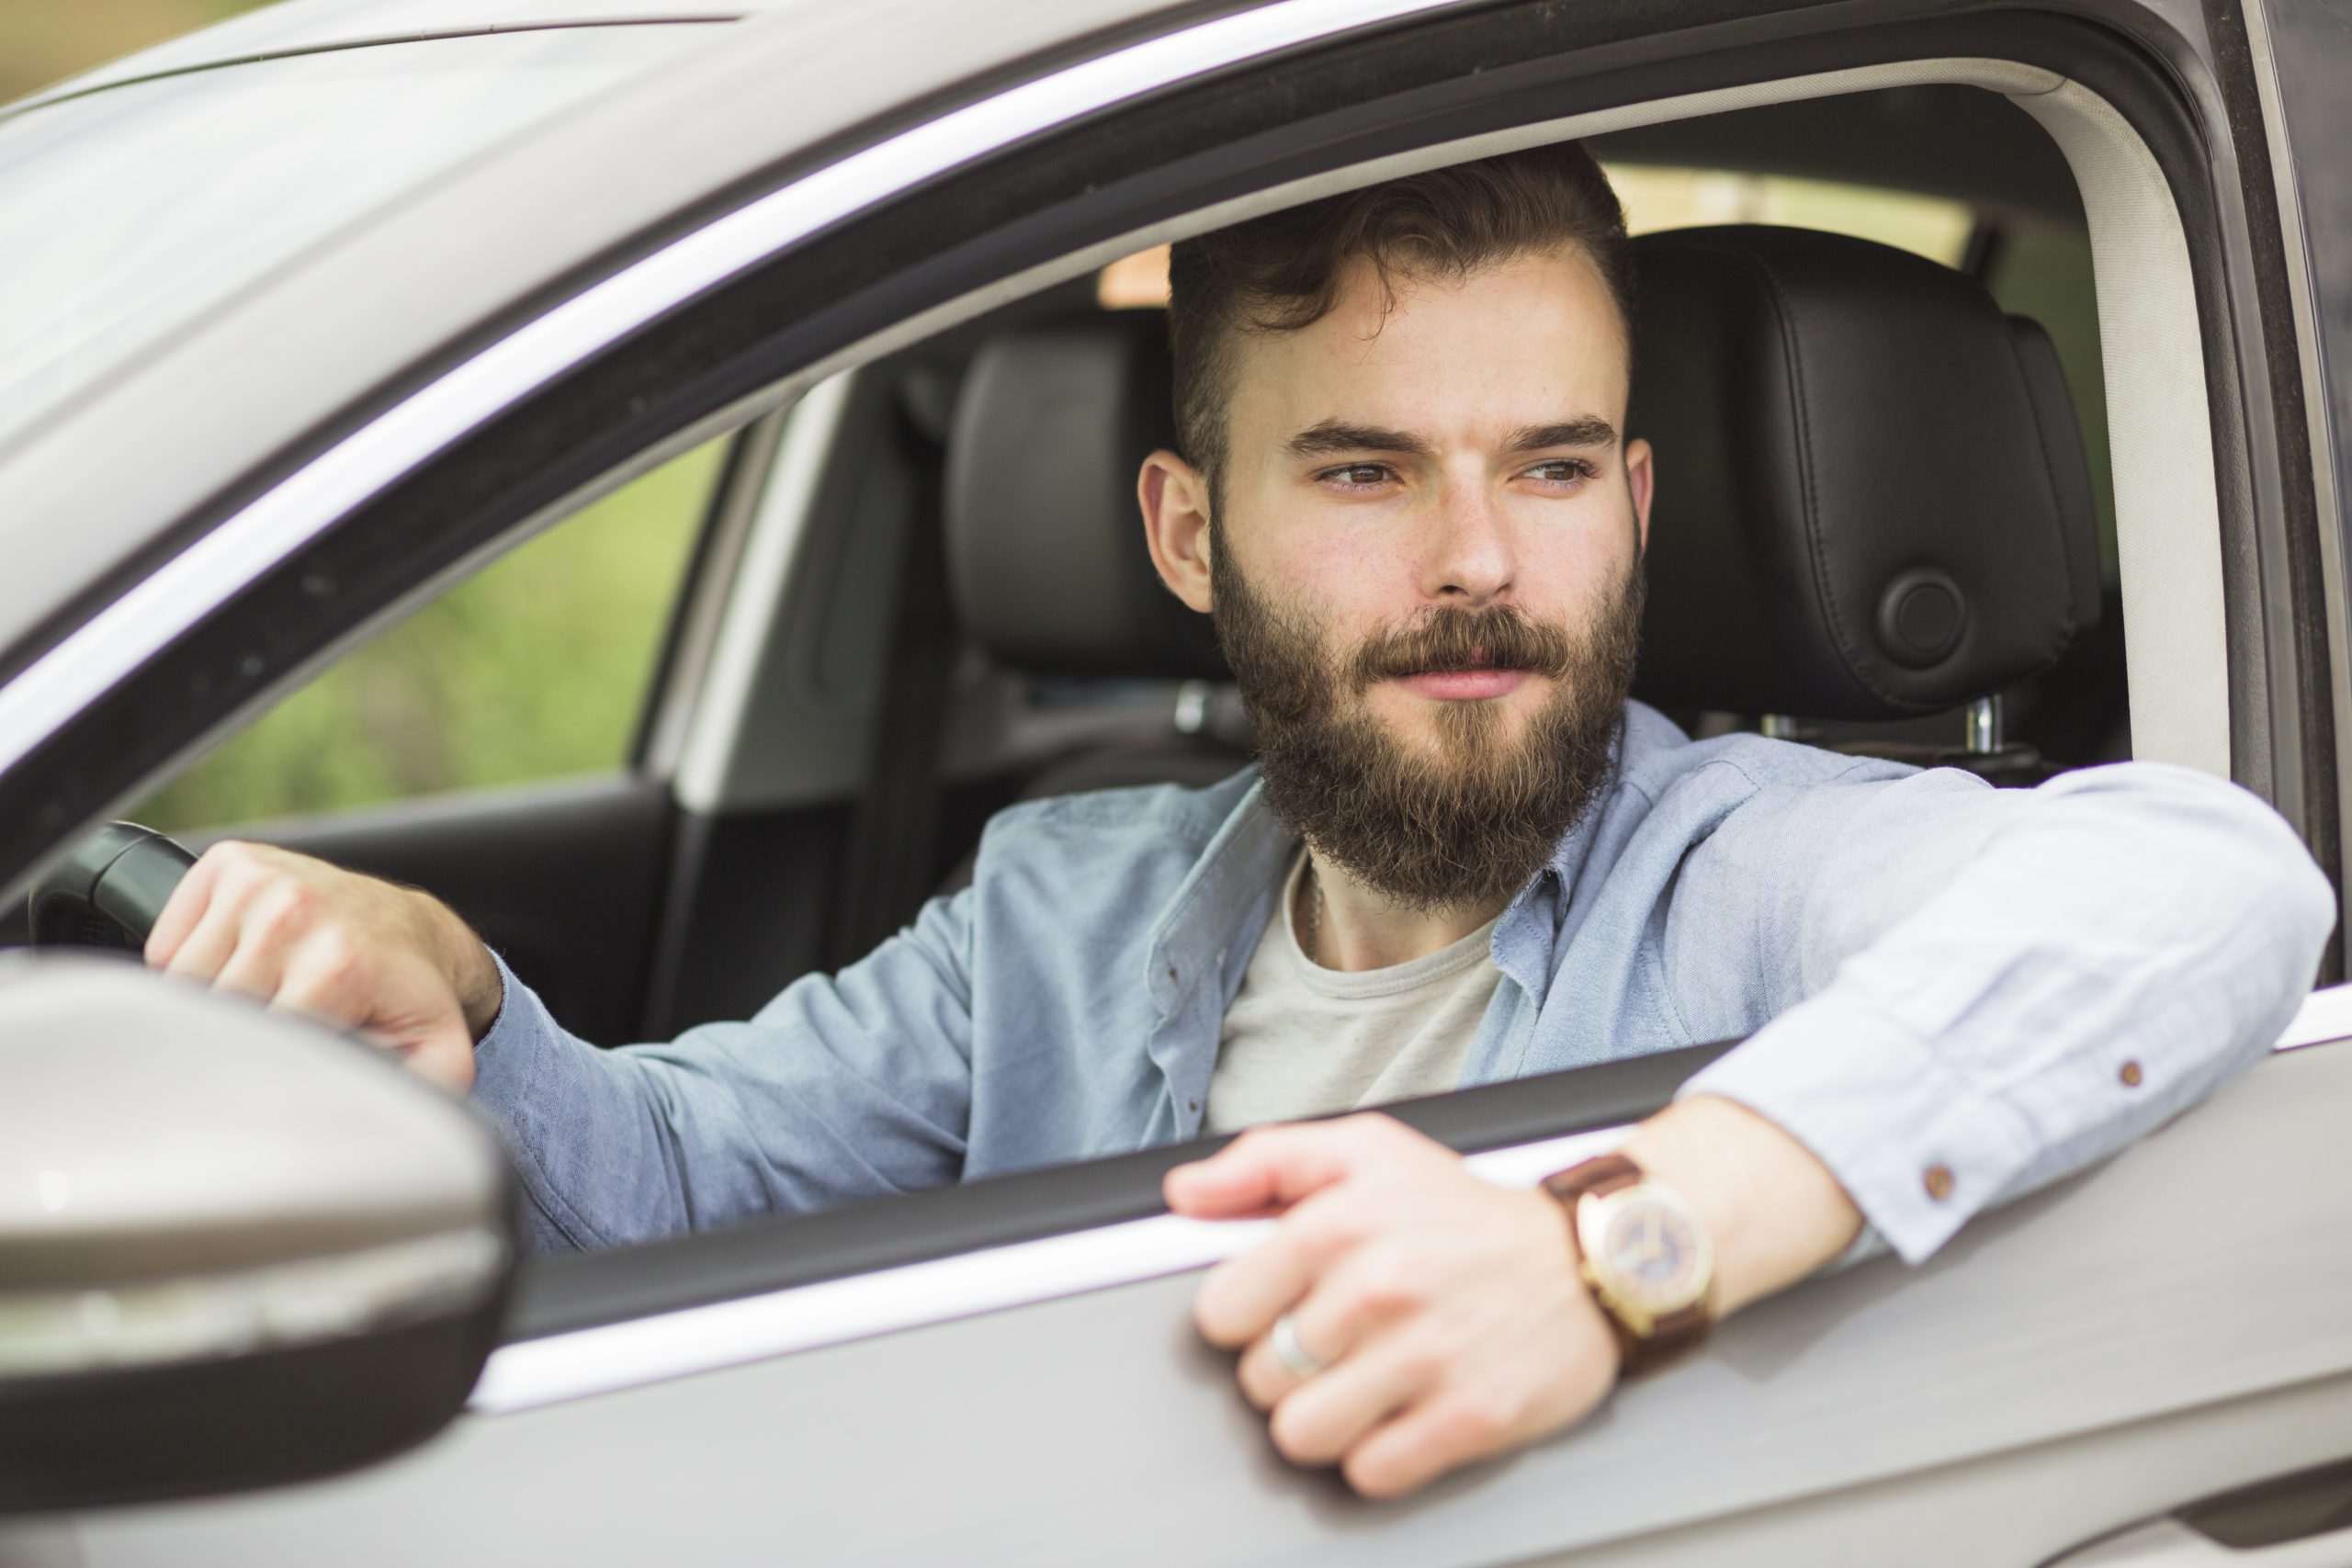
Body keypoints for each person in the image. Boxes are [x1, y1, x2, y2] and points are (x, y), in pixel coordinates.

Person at [144, 143, 2332, 1499]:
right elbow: (680, 1191)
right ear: (1189, 531)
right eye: (1367, 469)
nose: (1480, 558)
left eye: (1553, 465)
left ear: (1636, 507)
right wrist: (458, 1000)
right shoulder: (1055, 909)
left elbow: (2203, 881)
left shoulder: (1742, 865)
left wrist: (1609, 1249)